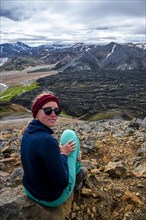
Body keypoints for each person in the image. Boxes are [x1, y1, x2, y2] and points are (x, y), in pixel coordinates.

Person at [20, 92, 87, 207]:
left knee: (67, 147)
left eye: (56, 111)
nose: (53, 114)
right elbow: (62, 183)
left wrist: (57, 152)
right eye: (48, 110)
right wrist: (64, 155)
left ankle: (75, 161)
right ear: (36, 112)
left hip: (30, 190)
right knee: (69, 133)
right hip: (51, 198)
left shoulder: (28, 132)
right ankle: (77, 171)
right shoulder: (47, 141)